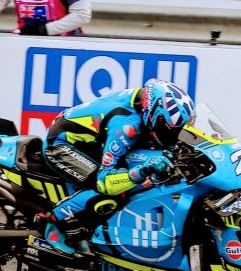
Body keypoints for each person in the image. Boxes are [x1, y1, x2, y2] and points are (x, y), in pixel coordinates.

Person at [39, 78, 196, 256]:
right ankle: (53, 223)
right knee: (114, 192)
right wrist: (143, 171)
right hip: (61, 147)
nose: (172, 137)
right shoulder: (126, 126)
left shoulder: (144, 104)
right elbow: (105, 182)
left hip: (89, 143)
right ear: (156, 115)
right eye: (170, 131)